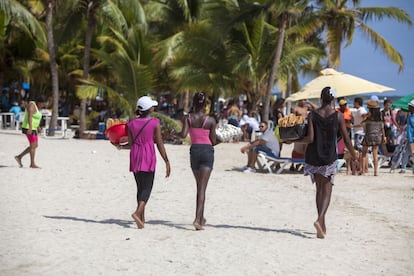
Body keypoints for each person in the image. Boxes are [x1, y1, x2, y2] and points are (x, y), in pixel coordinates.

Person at [294, 87, 357, 239]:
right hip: (329, 157)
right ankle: (320, 219)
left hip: (313, 156)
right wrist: (354, 154)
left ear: (321, 98)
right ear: (333, 100)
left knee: (319, 189)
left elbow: (309, 139)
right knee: (327, 191)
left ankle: (321, 224)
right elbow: (346, 138)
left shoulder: (312, 115)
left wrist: (294, 140)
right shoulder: (338, 116)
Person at [118, 96, 171, 229]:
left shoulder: (131, 123)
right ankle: (137, 213)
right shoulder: (154, 122)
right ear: (150, 109)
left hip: (135, 155)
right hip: (148, 156)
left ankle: (141, 219)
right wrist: (167, 161)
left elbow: (130, 144)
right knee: (147, 188)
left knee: (140, 187)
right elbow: (159, 143)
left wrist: (120, 147)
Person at [175, 92, 218, 230]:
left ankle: (201, 217)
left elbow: (182, 135)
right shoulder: (210, 120)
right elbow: (214, 141)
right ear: (205, 105)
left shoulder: (188, 118)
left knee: (200, 186)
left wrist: (172, 134)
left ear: (193, 103)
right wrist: (223, 138)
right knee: (202, 188)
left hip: (194, 151)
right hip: (207, 152)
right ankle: (197, 220)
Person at [14, 95, 47, 168]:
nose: (43, 105)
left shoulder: (38, 108)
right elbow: (30, 117)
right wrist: (30, 128)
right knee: (33, 145)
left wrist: (38, 127)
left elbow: (36, 118)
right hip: (28, 127)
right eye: (43, 103)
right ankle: (32, 164)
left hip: (33, 128)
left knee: (35, 145)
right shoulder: (32, 105)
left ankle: (19, 157)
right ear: (39, 102)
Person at [361, 100, 386, 176]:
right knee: (375, 154)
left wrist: (364, 118)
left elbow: (362, 124)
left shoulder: (368, 117)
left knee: (364, 154)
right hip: (377, 137)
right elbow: (382, 128)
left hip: (368, 136)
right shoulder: (379, 117)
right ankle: (376, 172)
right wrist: (384, 137)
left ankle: (362, 171)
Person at [352, 97, 368, 174]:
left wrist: (357, 125)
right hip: (360, 132)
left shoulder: (361, 110)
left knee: (360, 151)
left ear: (357, 103)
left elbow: (365, 116)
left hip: (359, 132)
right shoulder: (360, 110)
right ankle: (364, 168)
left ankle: (362, 169)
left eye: (354, 102)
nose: (353, 104)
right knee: (362, 151)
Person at [405, 100, 414, 174]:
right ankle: (403, 168)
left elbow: (410, 129)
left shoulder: (411, 117)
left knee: (411, 153)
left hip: (411, 138)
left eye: (410, 106)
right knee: (407, 153)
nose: (408, 107)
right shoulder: (410, 116)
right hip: (409, 137)